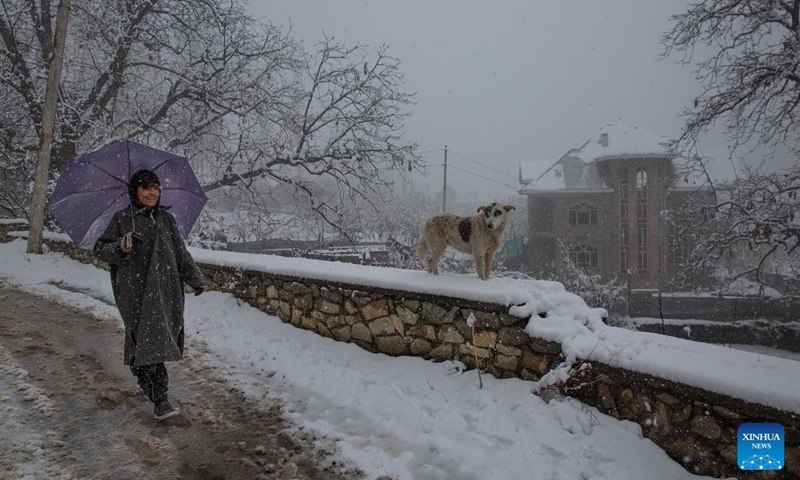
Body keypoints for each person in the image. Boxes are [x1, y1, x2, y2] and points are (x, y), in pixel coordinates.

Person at [94, 169, 205, 420]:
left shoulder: (166, 219)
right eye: (146, 188)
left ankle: (157, 393)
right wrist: (122, 245)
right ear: (135, 191)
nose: (152, 193)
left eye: (155, 187)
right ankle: (160, 398)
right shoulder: (122, 219)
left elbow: (180, 252)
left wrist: (195, 278)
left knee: (153, 342)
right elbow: (100, 249)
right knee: (144, 341)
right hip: (135, 292)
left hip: (164, 292)